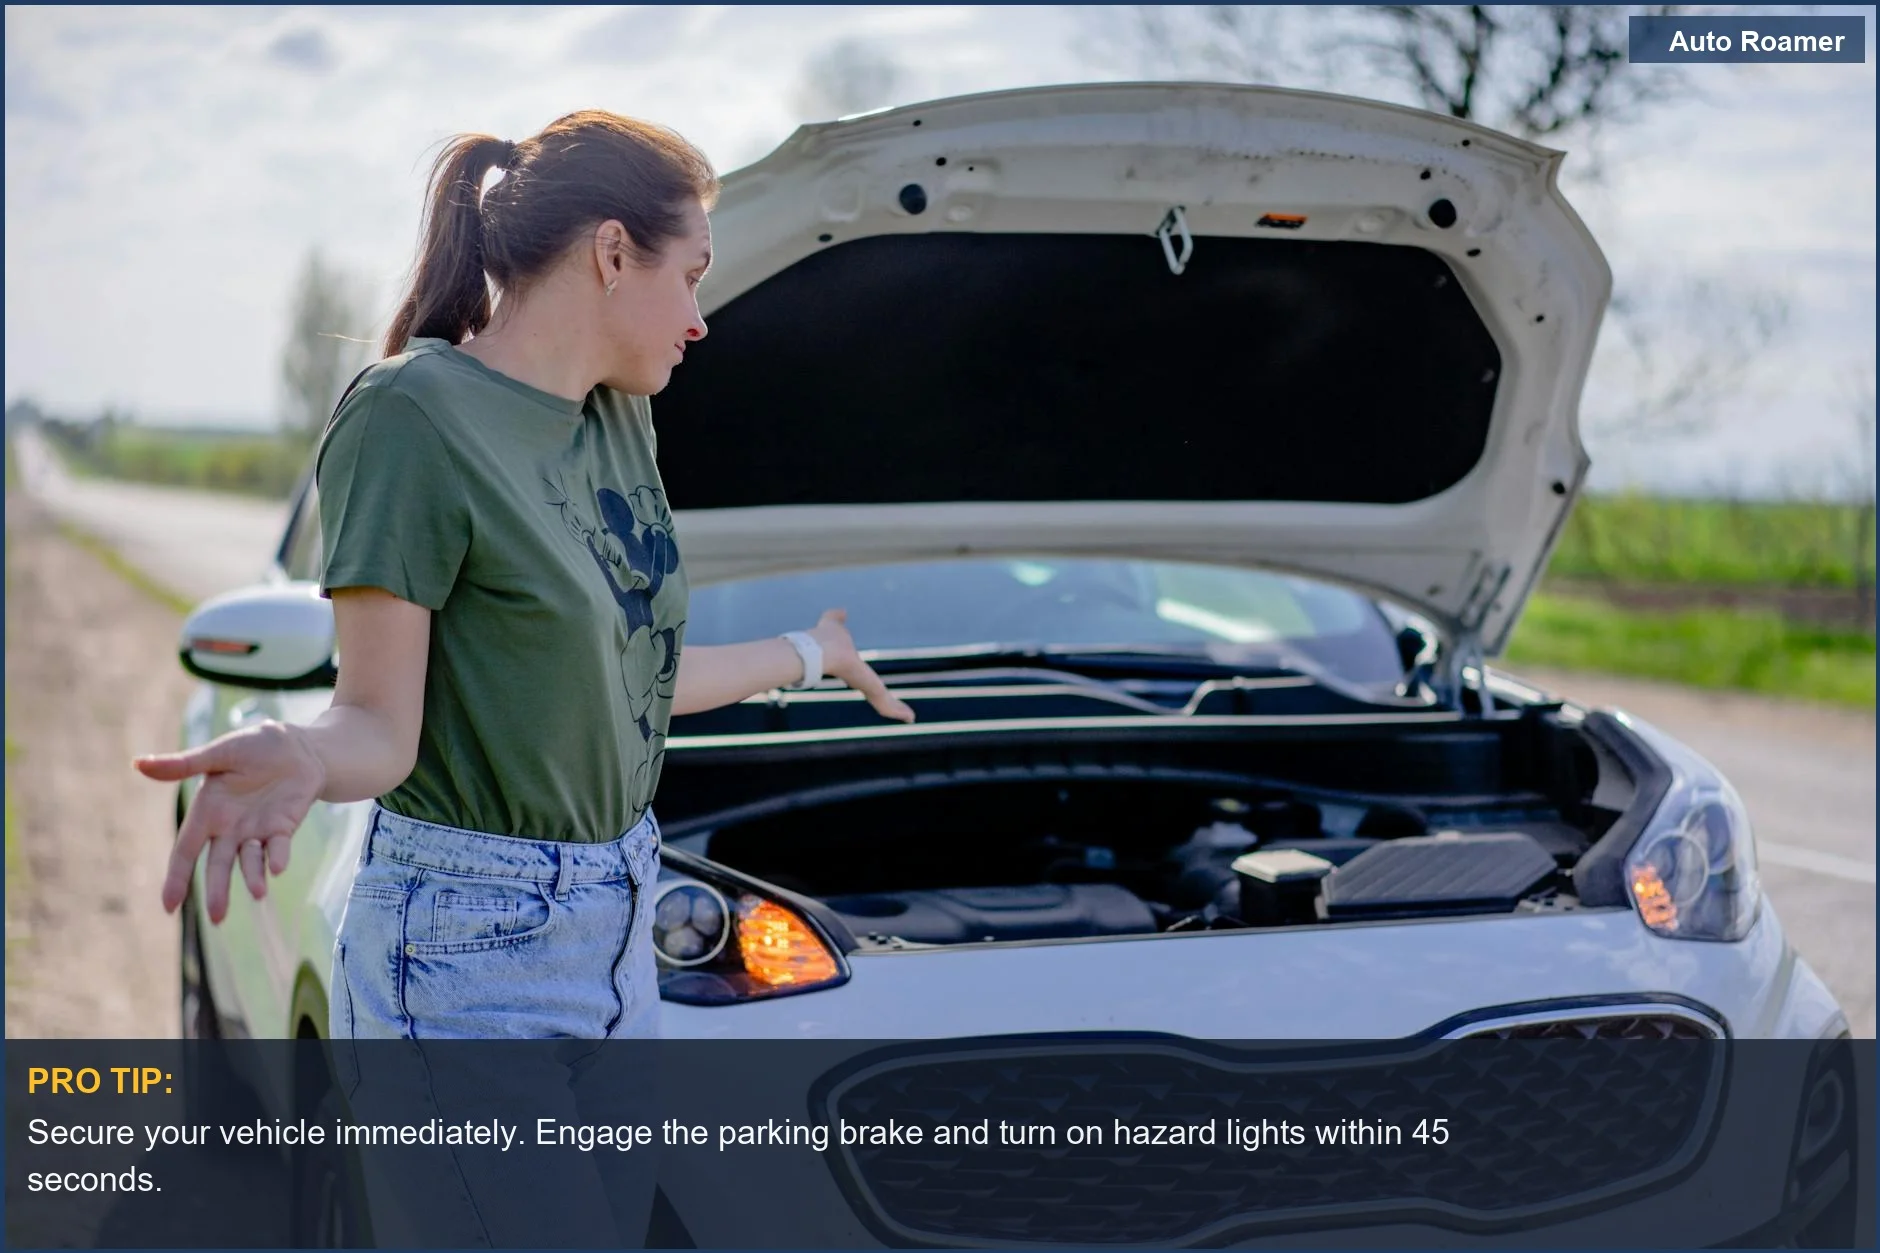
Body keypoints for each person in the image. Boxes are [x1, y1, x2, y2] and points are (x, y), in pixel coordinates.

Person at [133, 109, 916, 1044]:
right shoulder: (412, 413)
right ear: (614, 253)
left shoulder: (621, 420)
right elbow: (379, 724)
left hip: (623, 925)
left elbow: (633, 683)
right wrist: (304, 752)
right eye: (692, 276)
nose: (701, 319)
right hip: (465, 940)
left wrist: (809, 651)